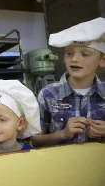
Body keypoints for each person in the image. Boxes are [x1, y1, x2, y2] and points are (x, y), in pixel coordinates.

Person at [31, 17, 105, 147]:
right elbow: (35, 141)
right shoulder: (47, 94)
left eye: (85, 54)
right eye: (69, 53)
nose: (74, 59)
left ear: (102, 60)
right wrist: (62, 134)